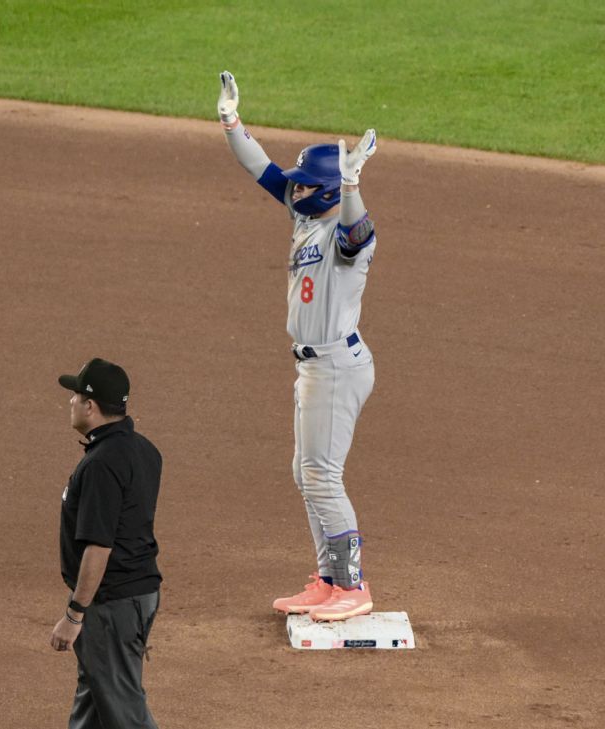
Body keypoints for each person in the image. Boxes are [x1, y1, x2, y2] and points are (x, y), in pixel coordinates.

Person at [217, 70, 379, 622]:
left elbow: (360, 232)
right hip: (314, 368)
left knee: (321, 474)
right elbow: (259, 167)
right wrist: (231, 122)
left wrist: (354, 189)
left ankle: (353, 586)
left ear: (333, 191)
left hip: (337, 364)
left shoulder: (347, 236)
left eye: (309, 185)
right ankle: (328, 579)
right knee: (304, 470)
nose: (298, 188)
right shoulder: (302, 211)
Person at [50, 357, 163, 729]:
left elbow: (99, 546)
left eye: (76, 395)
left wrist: (74, 614)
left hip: (111, 602)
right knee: (95, 696)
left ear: (91, 406)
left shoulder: (101, 463)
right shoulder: (143, 450)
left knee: (122, 709)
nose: (71, 402)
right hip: (136, 594)